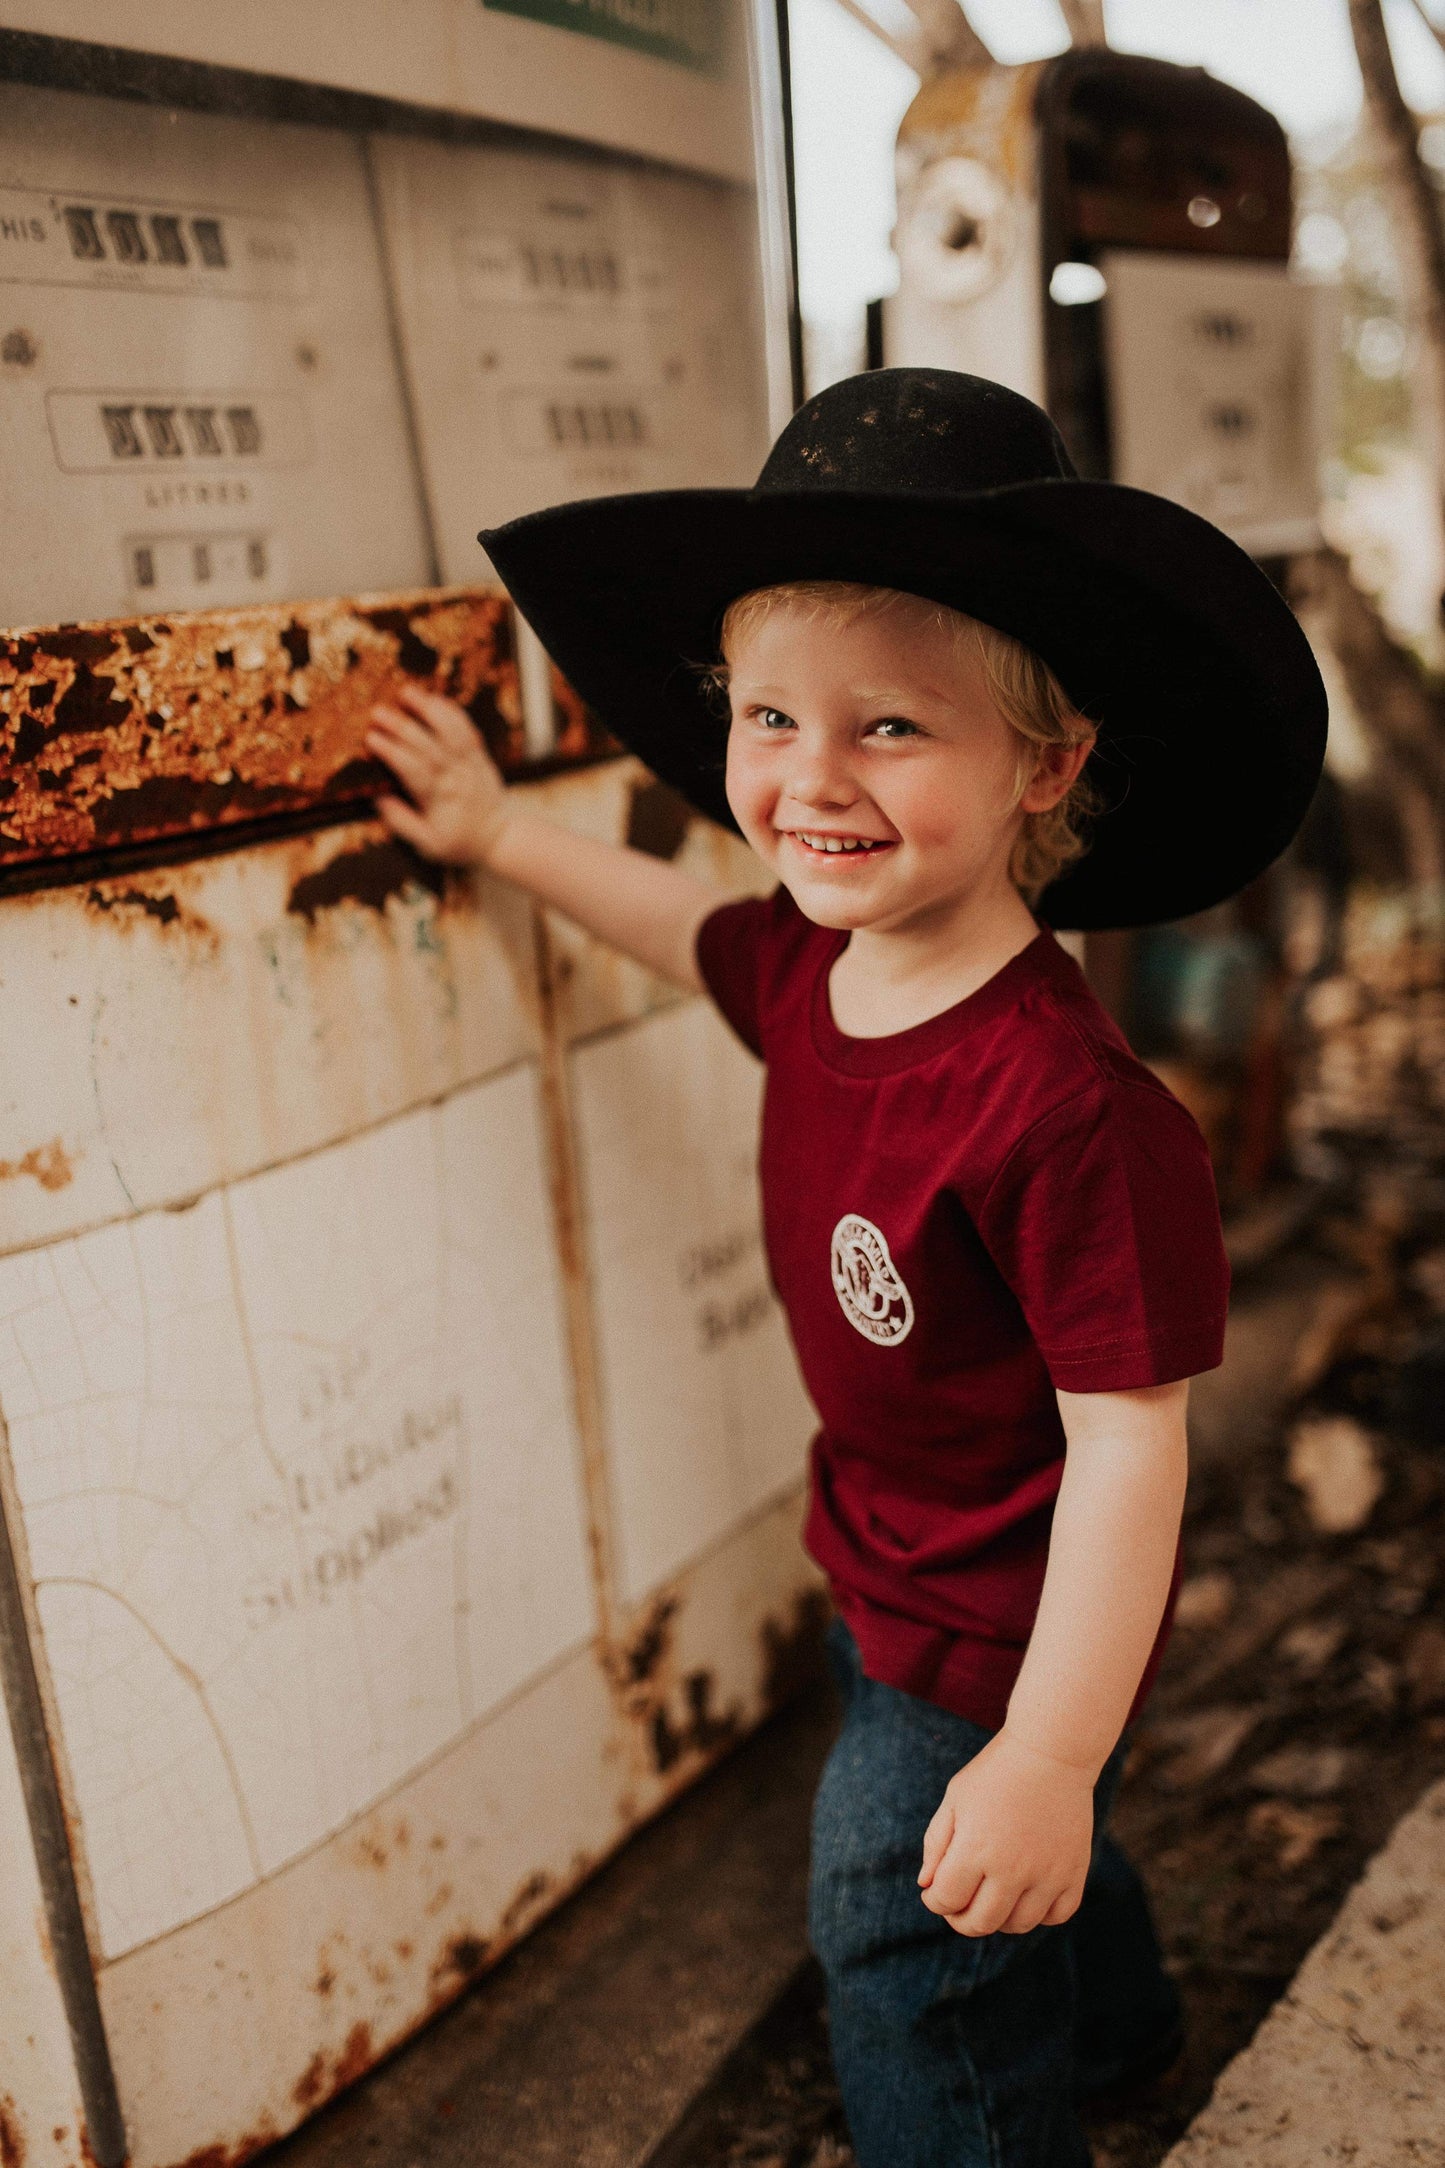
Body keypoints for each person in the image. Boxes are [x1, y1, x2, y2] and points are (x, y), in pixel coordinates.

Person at [367, 369, 1326, 2167]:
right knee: (1012, 1855)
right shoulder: (822, 966)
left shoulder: (1067, 1110)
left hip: (1002, 1609)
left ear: (1050, 762)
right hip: (876, 1541)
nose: (808, 779)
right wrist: (500, 835)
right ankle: (1127, 2036)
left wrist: (1043, 1745)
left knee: (903, 1922)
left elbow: (1130, 1448)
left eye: (890, 729)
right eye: (769, 716)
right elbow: (678, 928)